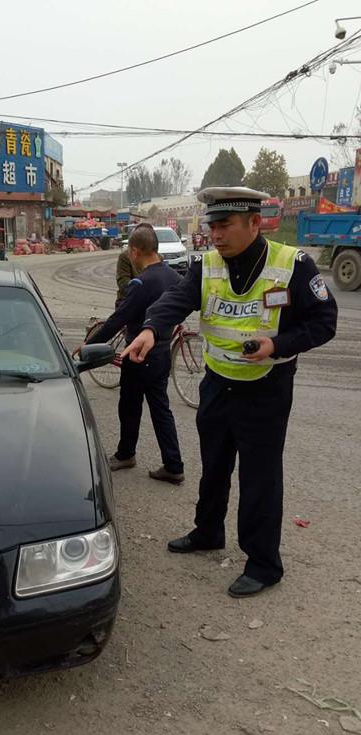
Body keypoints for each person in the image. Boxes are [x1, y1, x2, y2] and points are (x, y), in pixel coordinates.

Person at [122, 187, 338, 597]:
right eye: (212, 226)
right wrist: (151, 328)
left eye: (225, 226)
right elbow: (176, 299)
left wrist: (279, 345)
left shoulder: (293, 265)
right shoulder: (207, 266)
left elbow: (324, 321)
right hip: (218, 384)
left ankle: (263, 564)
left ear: (254, 223)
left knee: (260, 477)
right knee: (214, 463)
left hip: (266, 389)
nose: (215, 235)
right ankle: (208, 531)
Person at [75, 223, 185, 482]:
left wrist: (89, 343)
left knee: (129, 406)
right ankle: (174, 465)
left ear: (135, 252)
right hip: (162, 353)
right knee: (161, 409)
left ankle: (126, 454)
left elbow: (117, 320)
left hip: (138, 354)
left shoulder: (141, 283)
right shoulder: (175, 278)